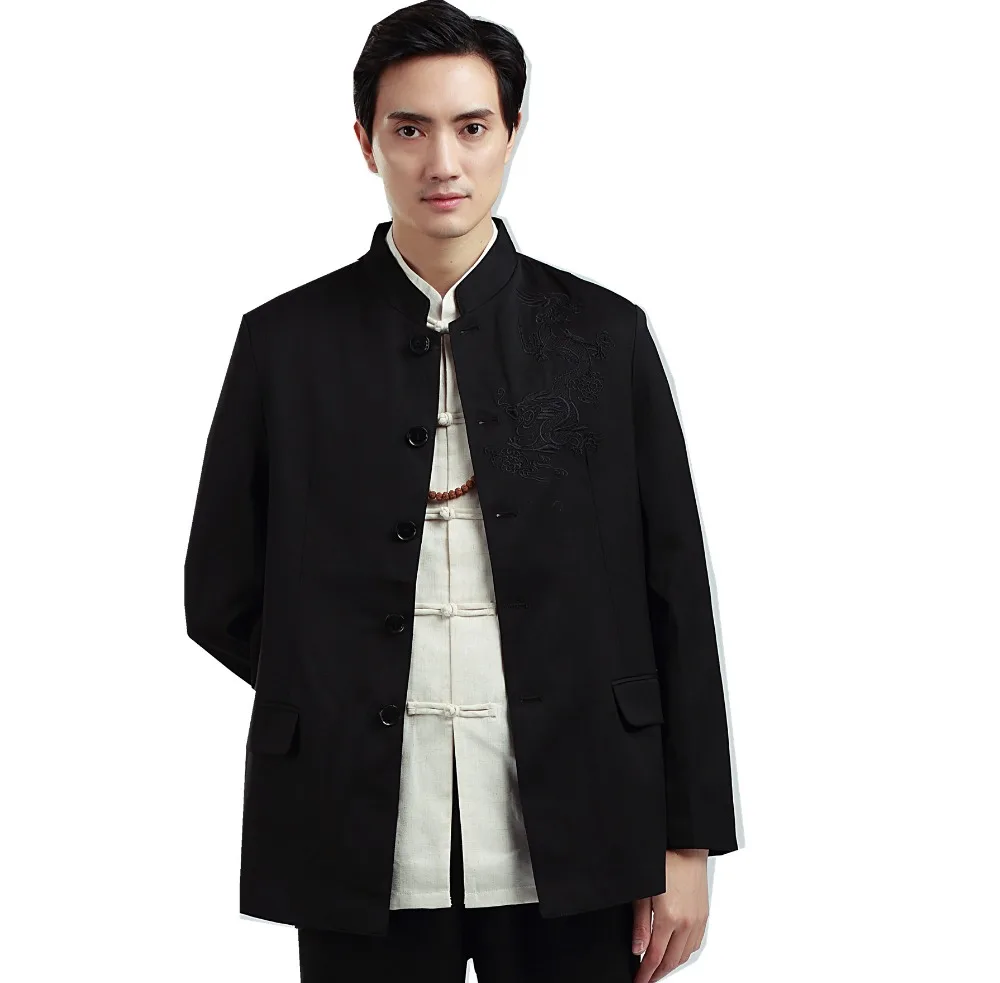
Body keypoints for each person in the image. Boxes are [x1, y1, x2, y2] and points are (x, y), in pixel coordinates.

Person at [183, 2, 739, 981]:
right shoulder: (283, 343)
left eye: (472, 126)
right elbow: (220, 591)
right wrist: (342, 681)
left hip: (583, 827)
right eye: (409, 129)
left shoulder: (604, 336)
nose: (443, 161)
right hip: (355, 835)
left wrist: (687, 839)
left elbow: (674, 599)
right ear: (366, 142)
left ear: (511, 133)